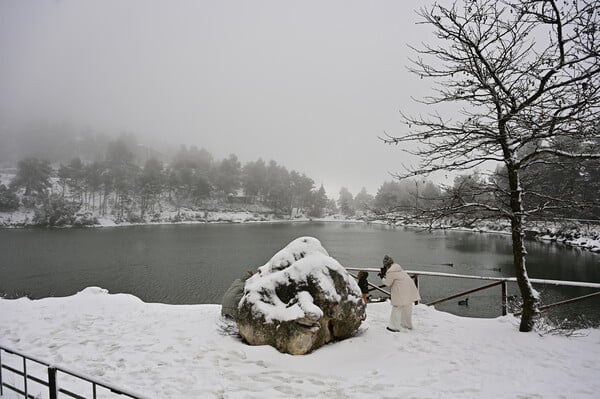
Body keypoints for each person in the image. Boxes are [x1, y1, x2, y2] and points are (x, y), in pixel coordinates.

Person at [380, 255, 420, 331]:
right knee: (407, 308)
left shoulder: (390, 271)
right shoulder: (399, 269)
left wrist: (382, 277)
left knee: (397, 308)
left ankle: (393, 327)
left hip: (401, 292)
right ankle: (407, 325)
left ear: (386, 265)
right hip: (410, 290)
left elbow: (388, 283)